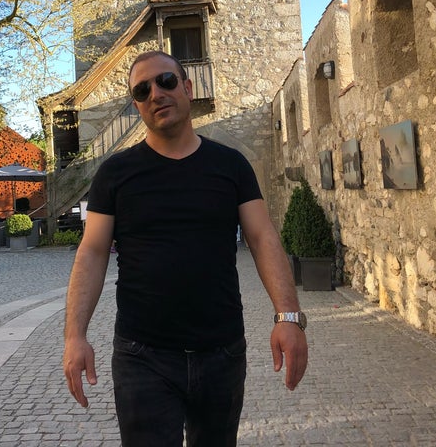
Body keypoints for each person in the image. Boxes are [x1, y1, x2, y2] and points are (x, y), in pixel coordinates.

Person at [63, 50, 308, 447]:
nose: (155, 94)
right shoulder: (115, 174)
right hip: (142, 356)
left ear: (188, 88)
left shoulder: (231, 166)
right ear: (136, 105)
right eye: (141, 90)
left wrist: (289, 317)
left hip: (221, 351)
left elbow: (263, 237)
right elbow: (91, 252)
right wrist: (75, 336)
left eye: (166, 81)